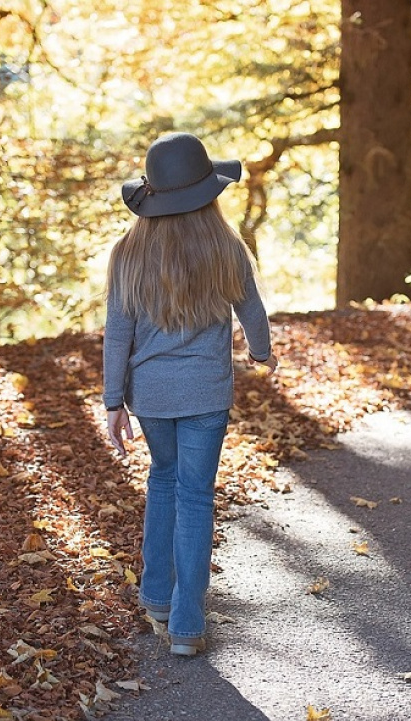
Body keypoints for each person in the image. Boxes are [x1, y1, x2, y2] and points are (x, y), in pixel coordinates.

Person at [103, 132, 278, 657]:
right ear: (208, 193)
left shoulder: (128, 253)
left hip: (150, 396)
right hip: (205, 395)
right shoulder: (226, 248)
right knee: (195, 494)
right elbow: (252, 312)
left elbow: (118, 332)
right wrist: (261, 353)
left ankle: (156, 594)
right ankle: (186, 620)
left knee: (162, 479)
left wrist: (113, 401)